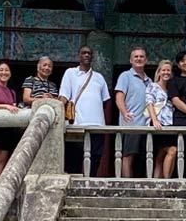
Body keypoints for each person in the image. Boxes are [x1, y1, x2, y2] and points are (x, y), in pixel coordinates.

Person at [60, 46, 111, 176]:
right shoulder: (70, 73)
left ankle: (91, 179)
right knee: (74, 156)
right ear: (79, 56)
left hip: (98, 124)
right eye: (84, 53)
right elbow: (64, 96)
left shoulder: (99, 77)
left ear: (92, 57)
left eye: (89, 53)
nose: (86, 55)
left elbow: (105, 101)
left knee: (96, 155)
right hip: (77, 122)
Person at [113, 47, 151, 178]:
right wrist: (124, 112)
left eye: (141, 56)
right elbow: (119, 97)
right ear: (131, 60)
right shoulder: (125, 76)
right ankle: (126, 183)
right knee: (128, 155)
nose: (139, 59)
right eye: (136, 57)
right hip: (131, 124)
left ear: (146, 60)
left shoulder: (149, 81)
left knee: (143, 157)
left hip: (146, 125)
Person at [147, 60, 178, 178]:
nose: (166, 72)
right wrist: (154, 120)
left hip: (170, 124)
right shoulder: (153, 86)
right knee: (165, 153)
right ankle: (163, 181)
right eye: (163, 70)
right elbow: (149, 103)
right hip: (158, 123)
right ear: (159, 72)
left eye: (168, 70)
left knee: (167, 153)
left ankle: (162, 181)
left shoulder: (172, 88)